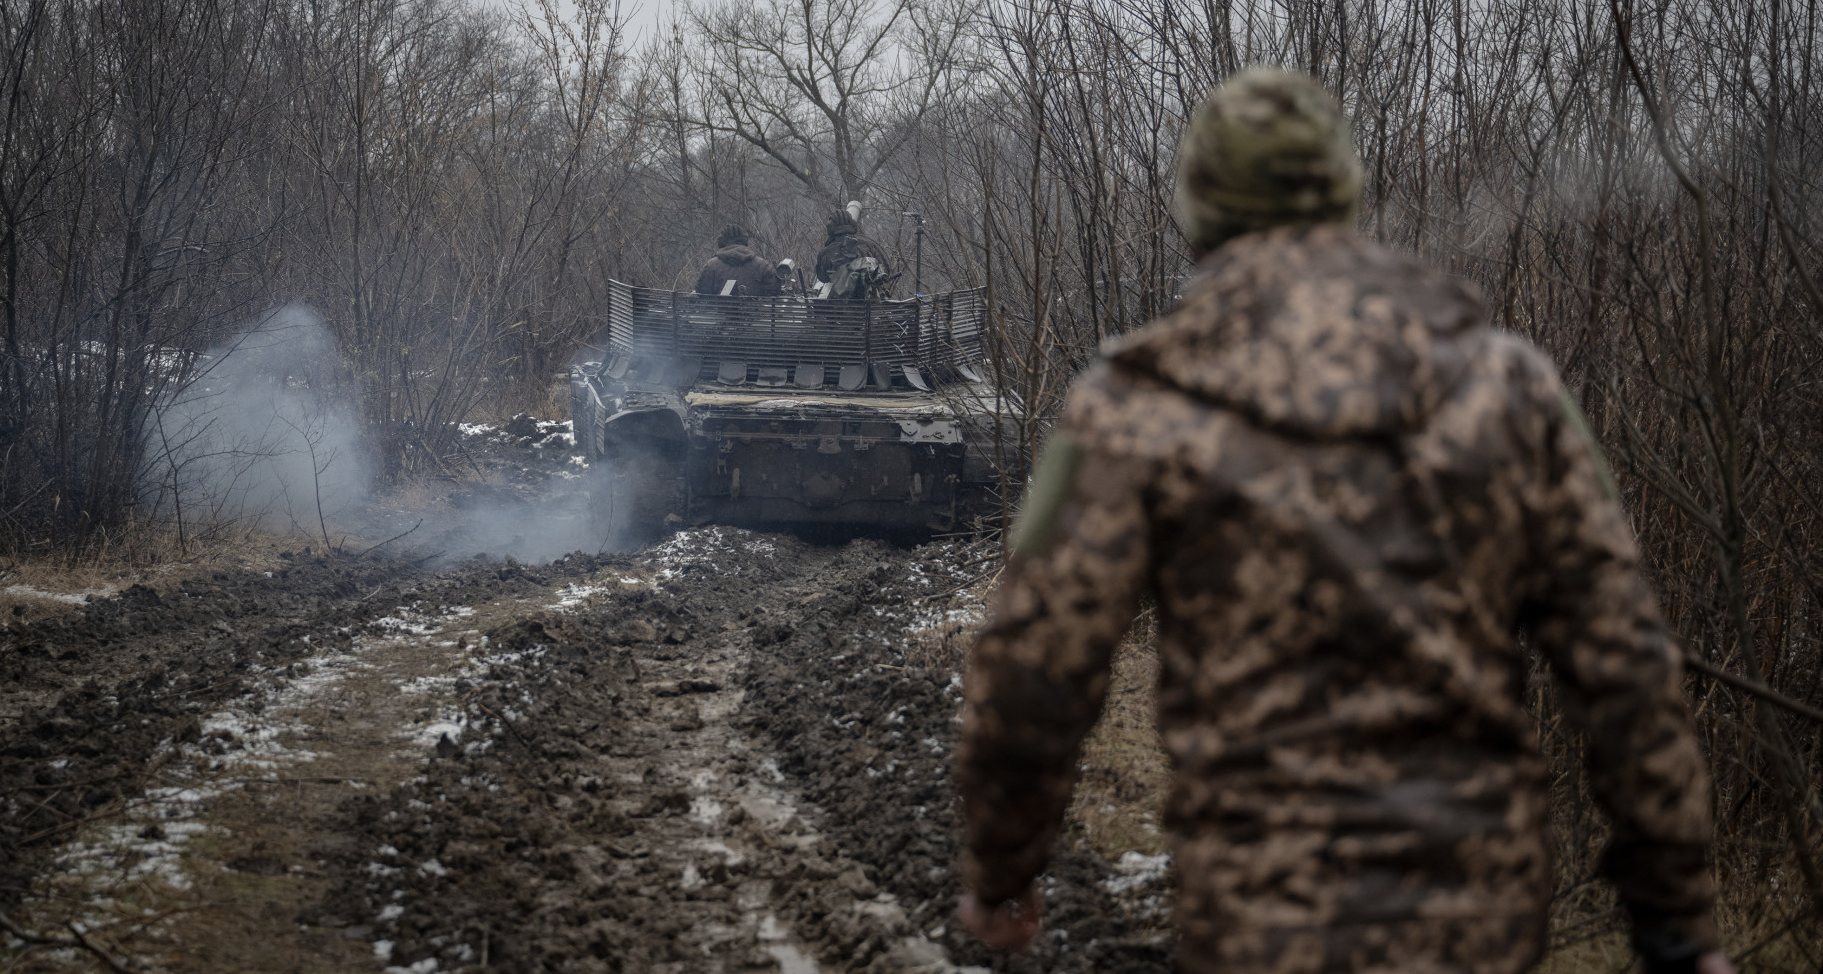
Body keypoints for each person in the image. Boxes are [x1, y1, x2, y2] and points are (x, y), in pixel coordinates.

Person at [953, 67, 1730, 974]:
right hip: (1476, 915)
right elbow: (1626, 662)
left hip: (1261, 915)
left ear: (1200, 206)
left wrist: (1004, 867)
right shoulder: (1507, 385)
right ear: (1345, 193)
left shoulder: (1139, 405)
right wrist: (1675, 919)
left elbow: (1035, 668)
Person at [815, 206, 889, 299]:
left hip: (838, 306)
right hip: (870, 302)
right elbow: (886, 269)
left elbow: (822, 277)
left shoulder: (826, 252)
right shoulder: (869, 246)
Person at [694, 224, 779, 296]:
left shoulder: (712, 265)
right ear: (745, 241)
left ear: (721, 241)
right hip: (754, 314)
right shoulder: (762, 265)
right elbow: (773, 293)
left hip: (718, 315)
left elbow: (702, 295)